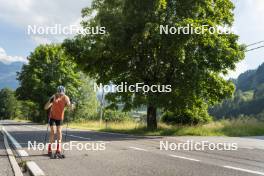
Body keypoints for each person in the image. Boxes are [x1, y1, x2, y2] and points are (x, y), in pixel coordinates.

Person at [44, 85, 72, 156]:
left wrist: (71, 106)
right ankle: (50, 148)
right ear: (57, 92)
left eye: (61, 93)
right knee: (53, 132)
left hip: (60, 118)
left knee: (59, 132)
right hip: (52, 117)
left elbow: (69, 105)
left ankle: (58, 149)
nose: (60, 95)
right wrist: (50, 101)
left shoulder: (65, 97)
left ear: (64, 93)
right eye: (59, 93)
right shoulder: (53, 97)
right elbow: (46, 107)